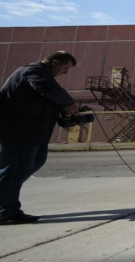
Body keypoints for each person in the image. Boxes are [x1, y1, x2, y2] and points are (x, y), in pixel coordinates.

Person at [0, 51, 79, 225]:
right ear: (55, 62)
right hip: (17, 131)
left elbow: (47, 98)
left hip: (34, 134)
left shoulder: (44, 76)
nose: (65, 73)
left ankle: (6, 203)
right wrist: (69, 103)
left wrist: (64, 111)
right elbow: (48, 90)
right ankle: (5, 210)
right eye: (65, 68)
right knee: (13, 170)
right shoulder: (33, 72)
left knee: (33, 163)